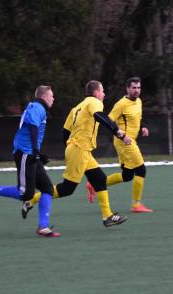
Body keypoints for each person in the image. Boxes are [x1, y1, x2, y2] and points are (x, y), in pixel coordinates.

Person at [25, 80, 130, 228]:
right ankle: (31, 200)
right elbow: (100, 116)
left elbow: (65, 132)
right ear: (96, 93)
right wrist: (119, 133)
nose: (104, 94)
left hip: (80, 149)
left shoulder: (77, 107)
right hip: (80, 149)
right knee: (67, 189)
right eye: (102, 91)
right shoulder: (94, 102)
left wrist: (71, 148)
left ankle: (108, 216)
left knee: (100, 179)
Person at [0, 85, 60, 237]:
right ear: (44, 96)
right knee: (25, 194)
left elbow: (33, 131)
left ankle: (43, 227)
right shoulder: (38, 107)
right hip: (25, 154)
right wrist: (35, 151)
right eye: (51, 96)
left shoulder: (39, 109)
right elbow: (33, 128)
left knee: (47, 189)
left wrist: (39, 154)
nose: (53, 98)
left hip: (31, 153)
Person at [86, 76, 153, 213]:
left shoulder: (139, 101)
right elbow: (109, 120)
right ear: (127, 89)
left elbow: (139, 117)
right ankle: (136, 205)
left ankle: (95, 184)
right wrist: (121, 135)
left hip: (130, 141)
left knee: (127, 175)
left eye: (138, 88)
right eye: (133, 88)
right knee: (141, 170)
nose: (136, 91)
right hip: (124, 142)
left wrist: (143, 127)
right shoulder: (121, 104)